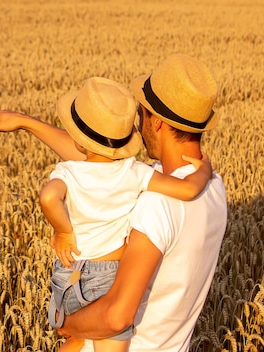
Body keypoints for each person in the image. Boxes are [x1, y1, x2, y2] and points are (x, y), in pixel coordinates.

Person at [0, 54, 227, 351]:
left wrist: (65, 325)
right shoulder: (212, 186)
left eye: (142, 112)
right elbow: (100, 166)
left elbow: (116, 316)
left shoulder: (156, 205)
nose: (138, 119)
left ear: (157, 122)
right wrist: (26, 123)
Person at [27, 76, 211, 352]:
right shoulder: (137, 174)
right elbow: (186, 189)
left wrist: (63, 231)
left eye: (142, 112)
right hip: (105, 276)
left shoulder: (70, 171)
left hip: (66, 275)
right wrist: (205, 172)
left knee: (75, 337)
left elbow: (49, 196)